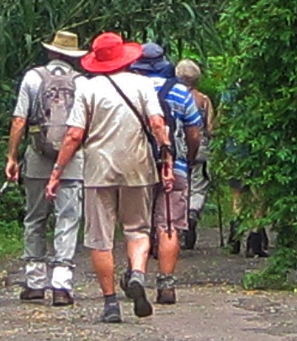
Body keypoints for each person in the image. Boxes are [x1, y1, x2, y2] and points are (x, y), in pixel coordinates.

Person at [45, 32, 172, 323]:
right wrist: (167, 159)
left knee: (99, 238)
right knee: (137, 230)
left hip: (98, 170)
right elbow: (157, 123)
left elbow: (74, 134)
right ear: (124, 57)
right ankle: (137, 275)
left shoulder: (87, 89)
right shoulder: (142, 84)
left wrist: (56, 173)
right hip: (138, 167)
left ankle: (110, 303)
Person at [4, 29, 88, 305]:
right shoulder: (83, 82)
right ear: (73, 57)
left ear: (51, 52)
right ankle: (62, 284)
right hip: (73, 159)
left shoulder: (33, 77)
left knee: (35, 217)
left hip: (38, 157)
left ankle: (34, 280)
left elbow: (19, 120)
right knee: (68, 218)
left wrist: (12, 157)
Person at [134, 43, 204, 303]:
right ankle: (166, 285)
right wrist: (189, 158)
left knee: (138, 226)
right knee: (169, 226)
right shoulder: (180, 92)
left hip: (138, 168)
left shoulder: (133, 90)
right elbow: (194, 132)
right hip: (174, 167)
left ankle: (136, 274)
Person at [175, 58, 214, 251]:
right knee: (198, 186)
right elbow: (210, 127)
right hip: (201, 147)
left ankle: (180, 221)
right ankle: (193, 212)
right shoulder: (204, 100)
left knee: (180, 185)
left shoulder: (174, 96)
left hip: (178, 146)